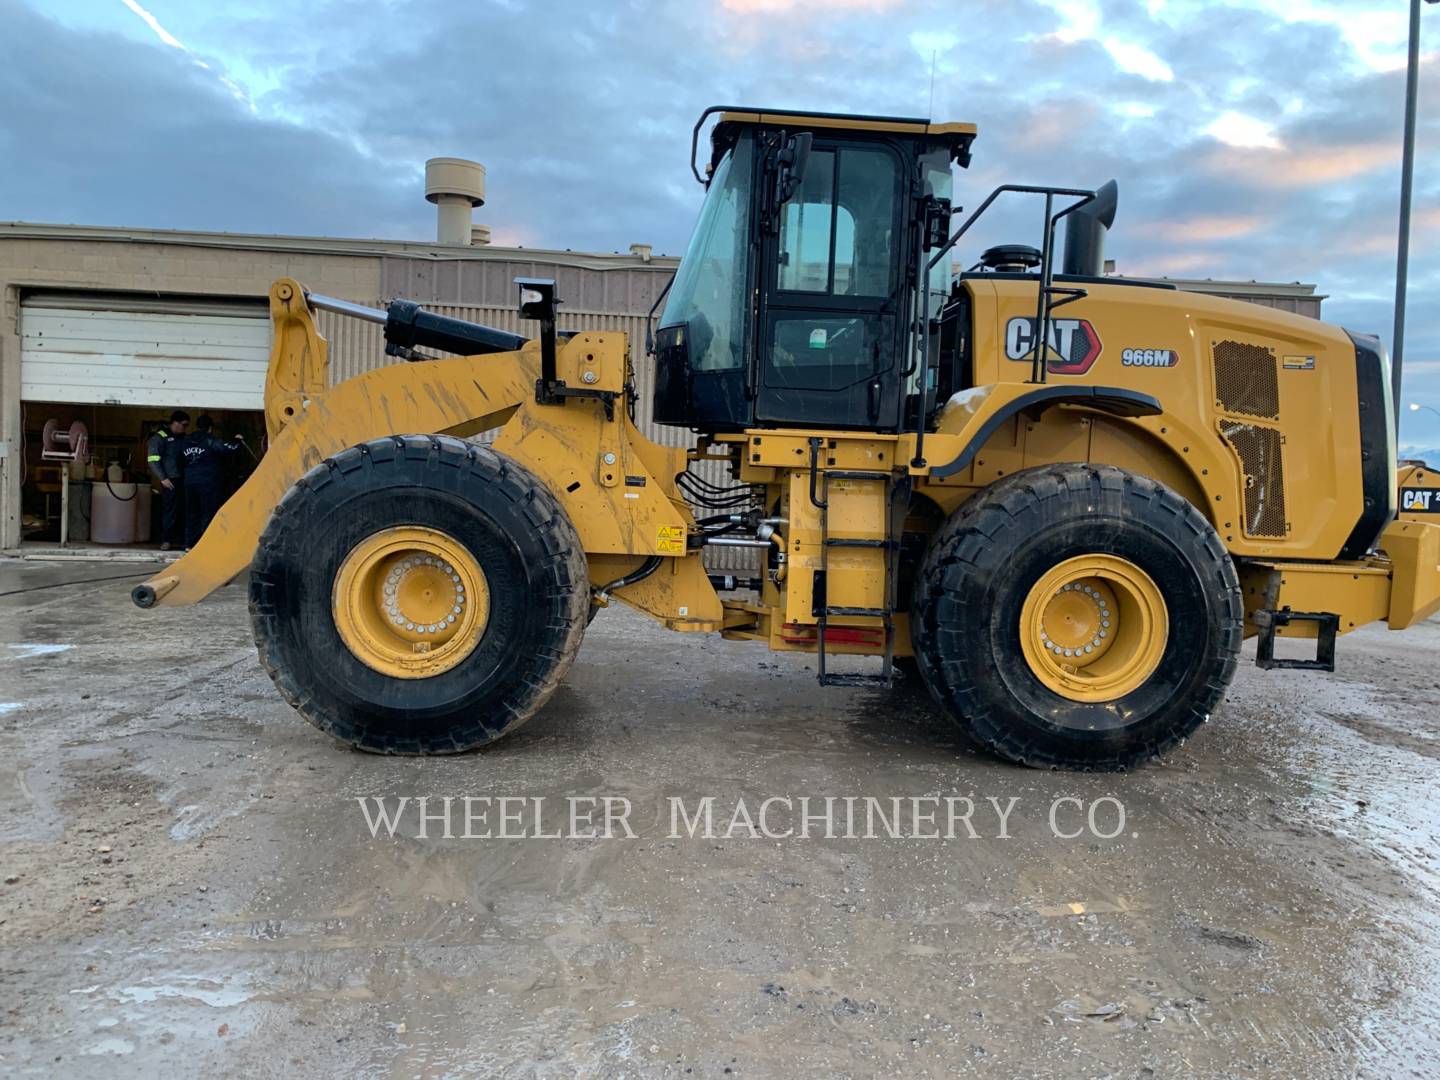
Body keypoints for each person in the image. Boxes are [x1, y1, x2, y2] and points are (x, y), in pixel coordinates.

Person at [181, 415, 244, 549]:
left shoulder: (185, 441)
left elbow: (179, 460)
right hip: (207, 483)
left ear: (197, 426)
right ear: (210, 429)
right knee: (207, 513)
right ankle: (205, 546)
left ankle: (189, 544)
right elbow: (228, 450)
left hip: (189, 482)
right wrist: (237, 441)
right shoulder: (211, 440)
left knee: (191, 513)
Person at [146, 409, 189, 551]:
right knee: (169, 511)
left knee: (185, 510)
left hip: (185, 479)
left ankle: (184, 540)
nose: (184, 428)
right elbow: (153, 459)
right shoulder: (160, 438)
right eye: (183, 425)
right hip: (170, 480)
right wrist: (163, 478)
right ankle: (166, 540)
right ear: (175, 423)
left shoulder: (184, 438)